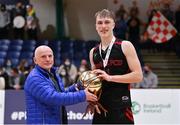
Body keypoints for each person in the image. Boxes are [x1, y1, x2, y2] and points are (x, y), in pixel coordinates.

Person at [89, 9, 143, 124]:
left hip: (121, 107)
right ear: (95, 26)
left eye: (107, 22)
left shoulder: (125, 45)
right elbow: (95, 83)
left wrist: (110, 78)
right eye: (100, 23)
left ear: (114, 24)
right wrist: (91, 98)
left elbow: (138, 76)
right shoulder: (93, 52)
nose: (103, 26)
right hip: (100, 108)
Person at [24, 45, 97, 124]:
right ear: (35, 60)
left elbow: (61, 94)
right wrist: (83, 95)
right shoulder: (35, 77)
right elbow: (53, 98)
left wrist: (76, 87)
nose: (48, 59)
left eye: (50, 56)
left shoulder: (53, 74)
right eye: (43, 57)